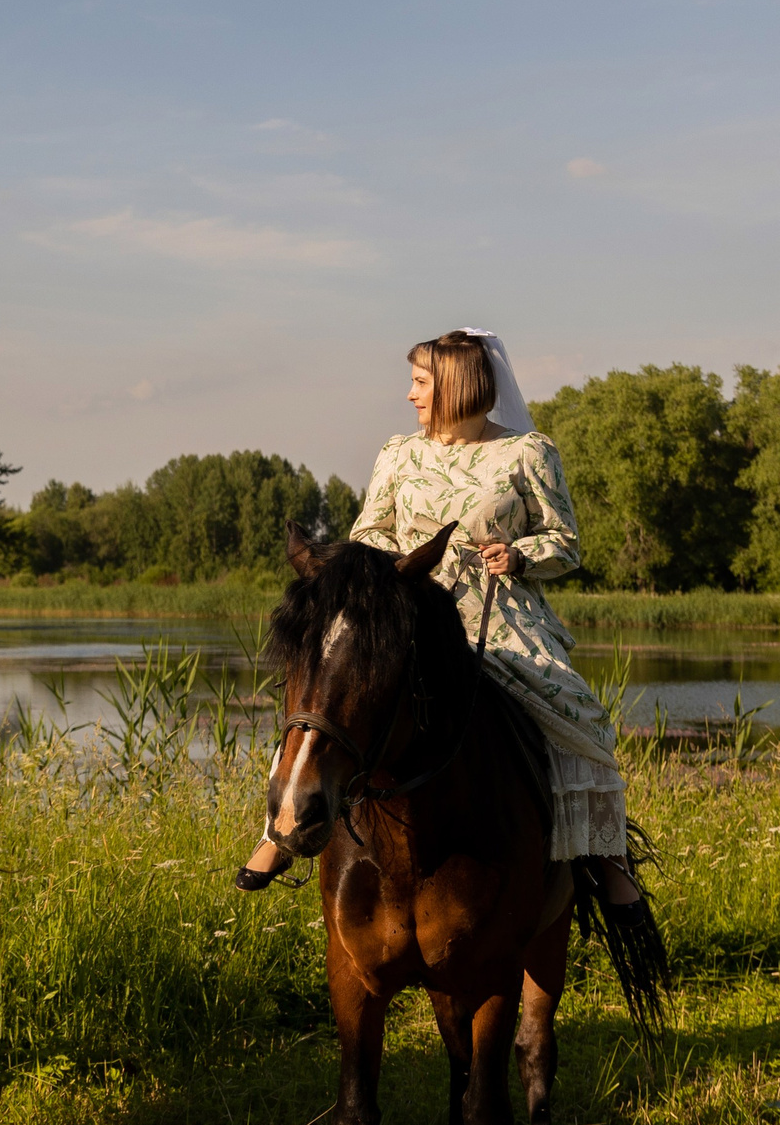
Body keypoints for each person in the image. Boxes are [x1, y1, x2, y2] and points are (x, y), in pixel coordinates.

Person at [235, 328, 651, 922]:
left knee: (581, 715)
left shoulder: (528, 453)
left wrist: (521, 555)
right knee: (325, 696)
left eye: (421, 382)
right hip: (406, 617)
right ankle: (281, 832)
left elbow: (566, 542)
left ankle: (605, 859)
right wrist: (389, 567)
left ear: (457, 385)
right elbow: (369, 531)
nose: (410, 395)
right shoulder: (398, 454)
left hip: (498, 618)